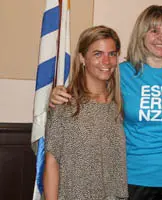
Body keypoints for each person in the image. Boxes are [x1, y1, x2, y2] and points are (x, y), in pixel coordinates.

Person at [50, 5, 162, 200]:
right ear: (142, 35)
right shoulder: (121, 73)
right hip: (134, 180)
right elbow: (88, 87)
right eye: (154, 31)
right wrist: (59, 92)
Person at [43, 25, 128, 200]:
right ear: (82, 58)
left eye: (111, 54)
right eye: (98, 54)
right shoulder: (65, 104)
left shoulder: (119, 104)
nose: (106, 61)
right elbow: (52, 164)